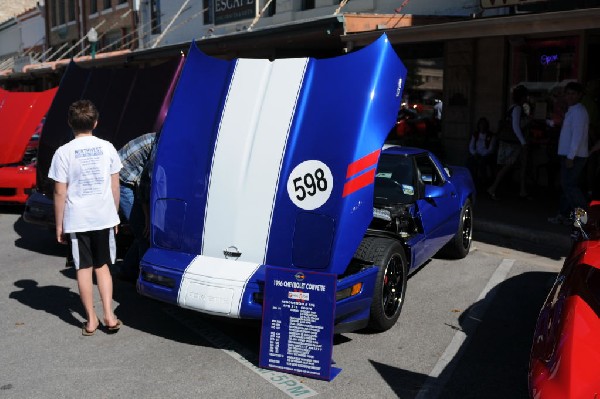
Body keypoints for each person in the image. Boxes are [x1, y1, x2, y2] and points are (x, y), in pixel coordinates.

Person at [49, 99, 123, 336]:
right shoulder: (107, 147)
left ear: (70, 123)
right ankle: (109, 315)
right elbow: (115, 186)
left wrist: (59, 224)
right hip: (103, 215)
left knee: (83, 268)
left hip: (77, 218)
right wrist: (115, 216)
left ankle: (91, 320)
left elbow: (60, 191)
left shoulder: (63, 152)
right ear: (96, 122)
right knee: (103, 266)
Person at [117, 132, 157, 281]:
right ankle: (144, 279)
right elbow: (145, 185)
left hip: (130, 179)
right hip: (122, 181)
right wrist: (147, 217)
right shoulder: (159, 146)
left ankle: (127, 270)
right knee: (143, 231)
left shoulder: (159, 138)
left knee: (141, 232)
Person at [548, 81, 589, 224]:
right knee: (566, 186)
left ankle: (583, 216)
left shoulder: (579, 111)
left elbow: (577, 136)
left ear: (579, 95)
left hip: (574, 156)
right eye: (568, 93)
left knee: (569, 185)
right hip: (568, 154)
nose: (570, 96)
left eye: (573, 94)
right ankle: (564, 215)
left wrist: (571, 156)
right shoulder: (572, 110)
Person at [487, 85, 531, 200]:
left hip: (509, 141)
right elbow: (516, 127)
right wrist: (523, 142)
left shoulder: (512, 108)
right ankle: (493, 187)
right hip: (514, 142)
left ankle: (522, 190)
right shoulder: (517, 109)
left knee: (511, 165)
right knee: (509, 165)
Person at [467, 117, 496, 186]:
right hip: (477, 154)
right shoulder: (475, 135)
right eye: (481, 125)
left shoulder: (491, 136)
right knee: (470, 162)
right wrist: (475, 153)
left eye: (484, 125)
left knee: (482, 163)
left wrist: (482, 155)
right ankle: (473, 181)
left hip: (486, 155)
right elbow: (471, 147)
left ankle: (484, 182)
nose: (482, 126)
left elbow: (491, 149)